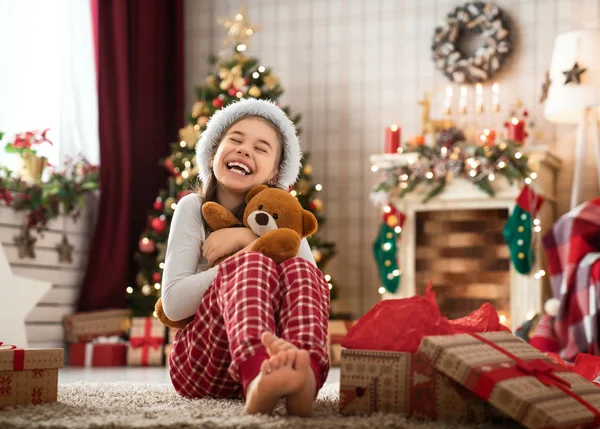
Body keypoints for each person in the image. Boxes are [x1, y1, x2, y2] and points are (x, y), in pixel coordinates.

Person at [161, 98, 330, 416]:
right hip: (201, 365)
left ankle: (304, 374)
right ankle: (256, 379)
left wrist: (250, 237)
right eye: (235, 140)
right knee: (253, 265)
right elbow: (173, 303)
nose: (244, 150)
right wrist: (251, 253)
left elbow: (309, 285)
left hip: (276, 355)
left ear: (275, 173)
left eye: (261, 148)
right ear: (213, 152)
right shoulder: (192, 209)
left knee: (301, 269)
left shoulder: (285, 216)